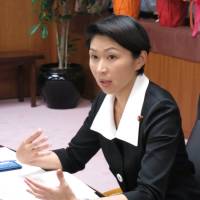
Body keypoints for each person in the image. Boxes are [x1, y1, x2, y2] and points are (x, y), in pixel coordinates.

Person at [16, 15, 200, 200]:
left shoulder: (160, 109)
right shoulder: (106, 99)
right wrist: (28, 158)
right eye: (94, 56)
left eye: (111, 57)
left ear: (139, 60)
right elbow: (74, 156)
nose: (100, 68)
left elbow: (149, 193)